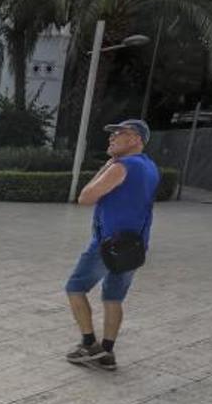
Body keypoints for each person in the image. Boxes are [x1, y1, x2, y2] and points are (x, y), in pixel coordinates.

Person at [64, 119, 160, 371]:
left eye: (119, 134)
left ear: (136, 139)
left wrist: (106, 167)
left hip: (107, 244)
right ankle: (107, 353)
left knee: (75, 288)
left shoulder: (121, 166)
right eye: (113, 134)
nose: (112, 138)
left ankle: (89, 345)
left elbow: (85, 197)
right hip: (134, 245)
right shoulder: (150, 166)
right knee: (113, 297)